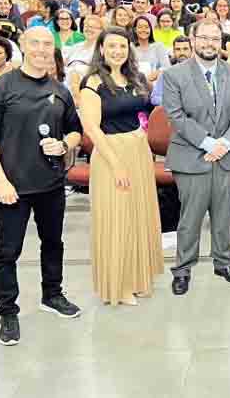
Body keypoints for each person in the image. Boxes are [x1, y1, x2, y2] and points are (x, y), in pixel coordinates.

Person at [0, 27, 84, 345]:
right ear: (22, 46)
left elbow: (76, 132)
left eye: (47, 44)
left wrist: (64, 145)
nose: (41, 49)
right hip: (12, 187)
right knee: (8, 251)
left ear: (54, 49)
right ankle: (7, 312)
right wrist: (0, 181)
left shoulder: (59, 90)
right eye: (34, 43)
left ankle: (52, 294)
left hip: (51, 184)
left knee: (53, 243)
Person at [161, 20, 230, 295]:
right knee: (190, 217)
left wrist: (225, 142)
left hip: (228, 155)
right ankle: (183, 268)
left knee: (224, 214)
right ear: (192, 39)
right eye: (204, 38)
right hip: (192, 156)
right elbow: (175, 115)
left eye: (215, 39)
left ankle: (223, 262)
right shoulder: (174, 74)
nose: (210, 43)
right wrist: (206, 142)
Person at [78, 27, 163, 306]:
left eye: (123, 47)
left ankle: (138, 278)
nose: (117, 51)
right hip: (110, 154)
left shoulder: (135, 77)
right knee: (117, 218)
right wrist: (116, 165)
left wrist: (142, 132)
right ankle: (119, 285)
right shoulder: (92, 81)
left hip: (138, 151)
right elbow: (91, 128)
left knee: (138, 215)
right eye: (111, 46)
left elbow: (145, 111)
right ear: (101, 49)